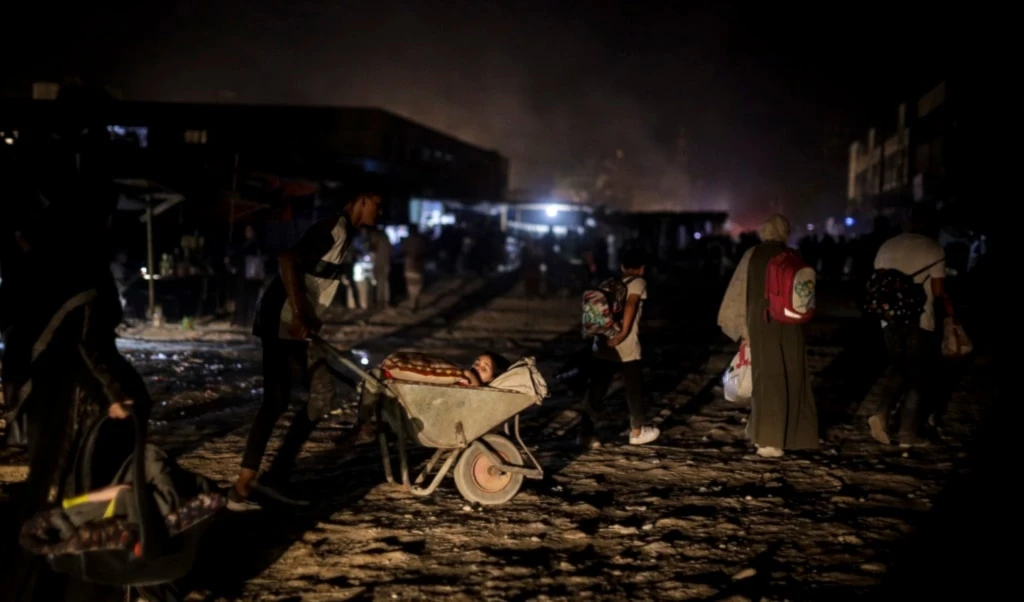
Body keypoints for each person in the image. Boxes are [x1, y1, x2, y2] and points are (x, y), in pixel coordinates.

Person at [228, 192, 382, 510]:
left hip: (293, 324)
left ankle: (264, 479)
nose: (382, 212)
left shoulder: (346, 234)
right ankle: (251, 484)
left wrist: (306, 316)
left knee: (302, 396)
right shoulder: (334, 228)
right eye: (379, 204)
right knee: (286, 398)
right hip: (282, 320)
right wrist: (301, 313)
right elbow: (287, 259)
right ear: (362, 199)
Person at [718, 214, 819, 458]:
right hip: (792, 324)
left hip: (763, 322)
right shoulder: (793, 255)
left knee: (768, 377)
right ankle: (796, 436)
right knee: (793, 375)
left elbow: (739, 292)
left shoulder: (753, 255)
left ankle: (770, 441)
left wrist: (741, 330)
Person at [867, 205, 952, 447]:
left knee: (897, 366)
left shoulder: (887, 246)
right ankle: (907, 432)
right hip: (919, 319)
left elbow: (879, 281)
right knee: (916, 375)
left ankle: (882, 414)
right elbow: (937, 292)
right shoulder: (933, 248)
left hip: (889, 318)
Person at [578, 247, 660, 448]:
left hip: (603, 343)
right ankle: (637, 431)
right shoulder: (639, 282)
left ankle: (585, 434)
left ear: (622, 266)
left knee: (596, 391)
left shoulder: (608, 283)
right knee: (634, 389)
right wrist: (622, 334)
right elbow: (631, 306)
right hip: (626, 345)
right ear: (642, 269)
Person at [403, 225, 427, 312]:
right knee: (417, 286)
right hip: (418, 268)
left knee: (410, 286)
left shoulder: (406, 240)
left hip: (409, 267)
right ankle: (414, 302)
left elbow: (403, 251)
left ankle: (412, 303)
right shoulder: (421, 241)